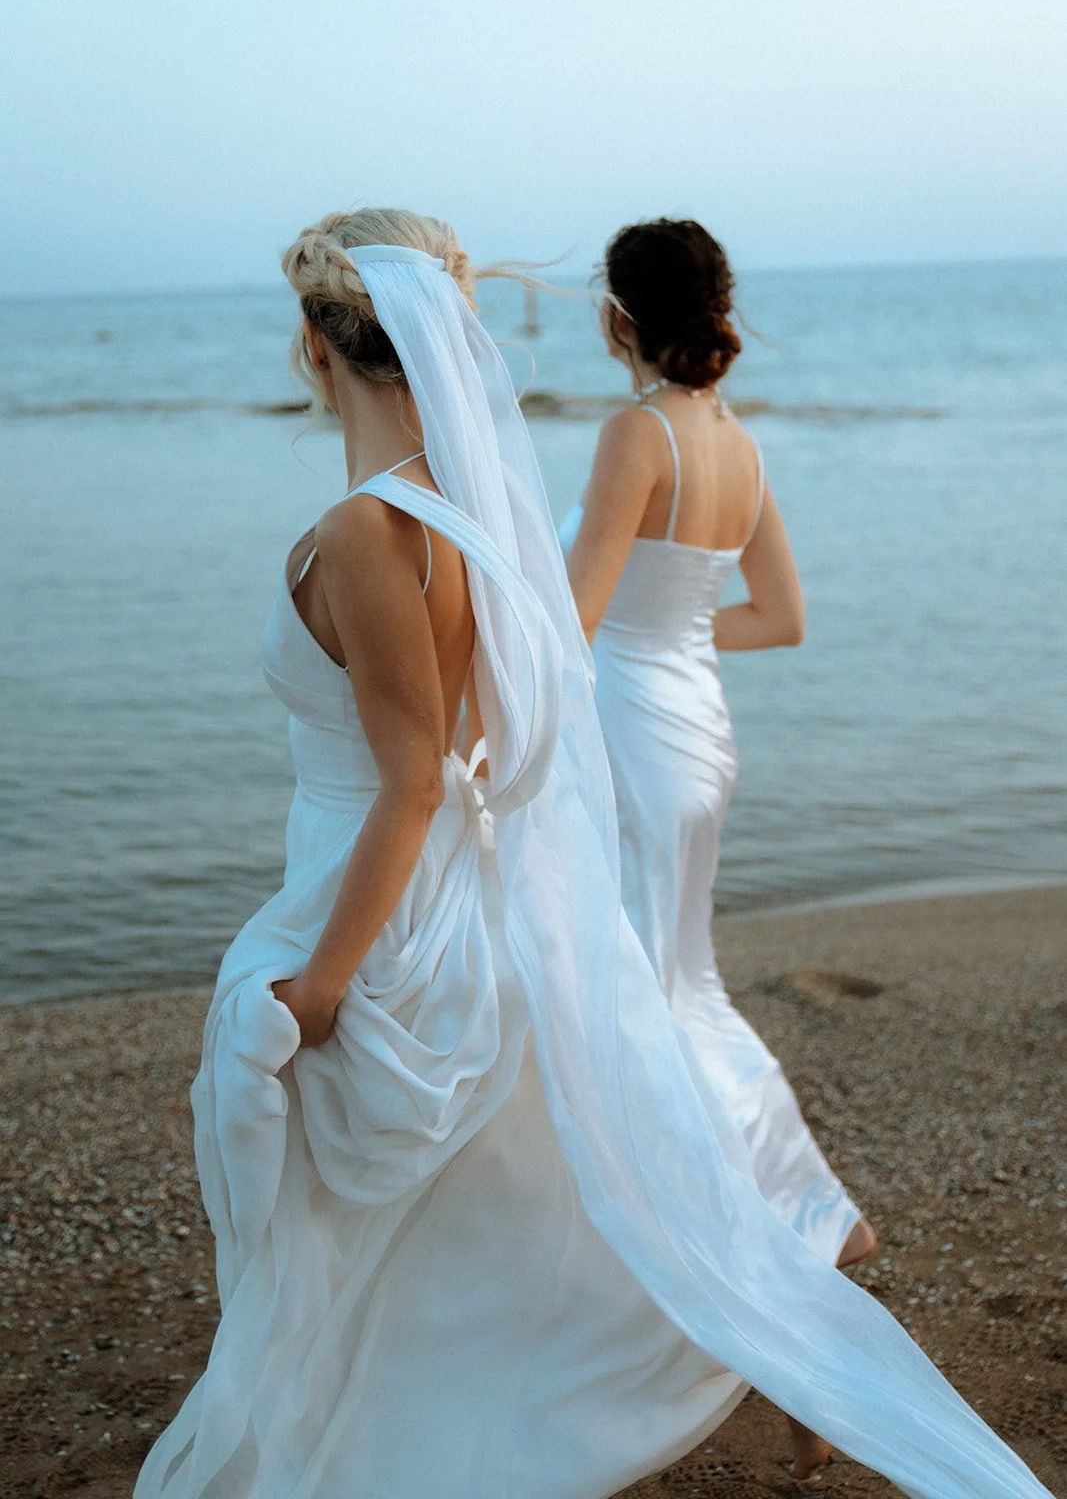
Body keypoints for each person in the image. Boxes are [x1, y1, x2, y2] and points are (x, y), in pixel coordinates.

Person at [136, 208, 1051, 1499]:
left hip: (421, 853)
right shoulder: (482, 514)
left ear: (312, 345)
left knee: (552, 1089)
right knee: (588, 1085)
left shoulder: (371, 528)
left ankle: (741, 1269)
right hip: (594, 789)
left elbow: (414, 778)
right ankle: (745, 1261)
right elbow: (543, 709)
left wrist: (327, 979)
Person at [560, 216, 876, 1476]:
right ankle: (801, 1230)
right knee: (680, 984)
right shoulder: (735, 444)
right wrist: (673, 643)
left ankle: (779, 1243)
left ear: (617, 318)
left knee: (645, 1003)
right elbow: (779, 618)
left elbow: (571, 613)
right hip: (699, 735)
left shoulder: (636, 432)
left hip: (634, 740)